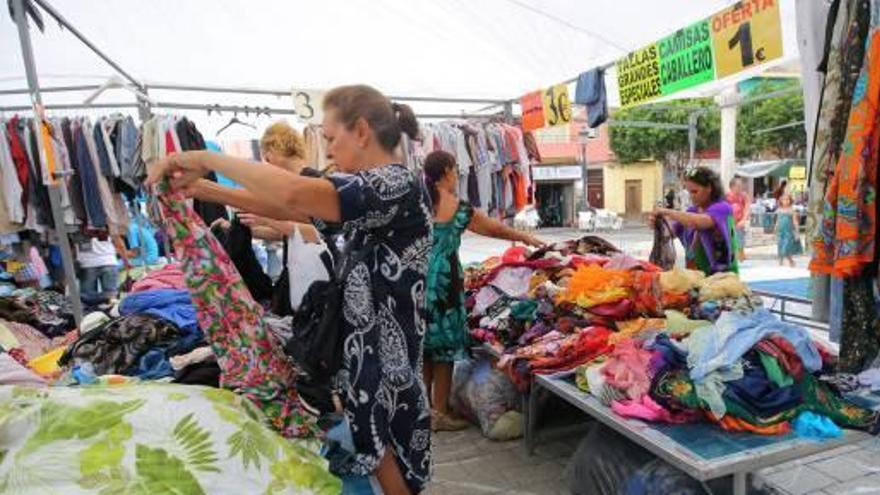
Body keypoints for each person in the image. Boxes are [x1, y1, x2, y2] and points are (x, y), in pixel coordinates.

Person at [148, 84, 431, 495]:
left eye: (331, 138)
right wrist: (204, 190)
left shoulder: (395, 184)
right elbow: (295, 209)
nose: (329, 150)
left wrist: (206, 159)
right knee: (381, 454)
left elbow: (295, 192)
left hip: (388, 360)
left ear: (362, 130)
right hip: (368, 357)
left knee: (395, 463)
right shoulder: (371, 191)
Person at [421, 150, 543, 432]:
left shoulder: (418, 203)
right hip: (444, 282)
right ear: (449, 171)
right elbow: (494, 230)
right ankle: (439, 413)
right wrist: (524, 237)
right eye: (454, 171)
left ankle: (425, 409)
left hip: (417, 282)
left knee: (426, 346)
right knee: (445, 350)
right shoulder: (458, 207)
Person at [647, 166, 738, 275]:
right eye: (689, 192)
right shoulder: (692, 211)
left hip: (722, 279)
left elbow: (697, 222)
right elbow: (670, 232)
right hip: (696, 279)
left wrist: (666, 212)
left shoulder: (722, 208)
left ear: (709, 188)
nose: (691, 196)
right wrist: (659, 224)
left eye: (695, 192)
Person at [77, 233, 133, 304]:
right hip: (109, 262)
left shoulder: (77, 225)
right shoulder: (106, 224)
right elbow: (120, 244)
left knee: (87, 298)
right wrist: (126, 262)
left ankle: (94, 312)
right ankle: (111, 311)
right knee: (111, 297)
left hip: (87, 264)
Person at [726, 177, 750, 262]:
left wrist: (744, 220)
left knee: (740, 240)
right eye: (738, 186)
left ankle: (741, 258)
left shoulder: (744, 196)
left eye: (741, 186)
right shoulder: (726, 196)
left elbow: (747, 208)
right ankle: (733, 259)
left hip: (740, 222)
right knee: (730, 241)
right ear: (732, 186)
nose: (741, 188)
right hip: (729, 222)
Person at [775, 193, 803, 267]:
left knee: (786, 247)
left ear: (790, 201)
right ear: (781, 201)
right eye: (784, 199)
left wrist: (797, 231)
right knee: (780, 245)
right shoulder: (779, 210)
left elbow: (795, 222)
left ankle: (791, 261)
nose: (786, 201)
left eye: (787, 199)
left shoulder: (791, 210)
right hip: (781, 232)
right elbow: (778, 220)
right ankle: (781, 261)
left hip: (788, 232)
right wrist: (775, 228)